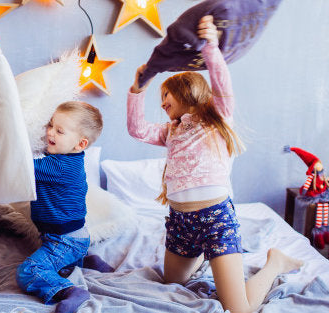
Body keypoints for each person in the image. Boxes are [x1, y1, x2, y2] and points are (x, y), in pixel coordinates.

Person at [127, 15, 303, 313]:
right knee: (172, 280)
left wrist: (210, 46)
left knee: (239, 310)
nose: (162, 103)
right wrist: (137, 88)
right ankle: (206, 255)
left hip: (215, 218)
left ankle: (274, 263)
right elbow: (137, 130)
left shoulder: (216, 121)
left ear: (186, 91)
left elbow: (221, 84)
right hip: (181, 223)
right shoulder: (171, 131)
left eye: (165, 95)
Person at [16, 101, 114, 313]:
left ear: (80, 144)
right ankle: (83, 261)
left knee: (28, 271)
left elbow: (20, 164)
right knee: (58, 261)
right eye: (50, 125)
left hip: (65, 240)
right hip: (71, 237)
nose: (50, 132)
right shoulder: (68, 159)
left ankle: (69, 291)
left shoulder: (58, 166)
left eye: (59, 131)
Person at [287, 146, 329, 249]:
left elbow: (326, 181)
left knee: (324, 208)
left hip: (323, 194)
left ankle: (326, 231)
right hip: (315, 194)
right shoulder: (312, 177)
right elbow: (307, 185)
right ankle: (318, 233)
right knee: (319, 212)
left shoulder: (322, 176)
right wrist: (304, 191)